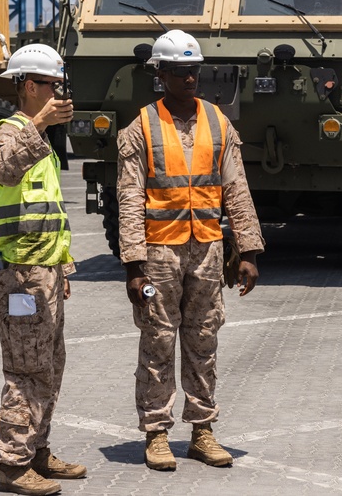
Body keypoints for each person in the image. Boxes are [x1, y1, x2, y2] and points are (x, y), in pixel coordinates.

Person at [116, 29, 264, 471]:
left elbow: (237, 191)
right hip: (159, 256)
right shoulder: (140, 128)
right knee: (158, 341)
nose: (189, 80)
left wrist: (249, 252)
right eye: (180, 72)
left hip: (207, 252)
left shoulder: (219, 123)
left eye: (194, 71)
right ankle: (157, 433)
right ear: (160, 75)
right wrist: (133, 266)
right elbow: (129, 198)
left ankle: (202, 430)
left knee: (204, 341)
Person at [0, 43, 86, 496]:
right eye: (52, 85)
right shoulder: (12, 132)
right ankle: (11, 466)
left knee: (49, 365)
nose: (59, 93)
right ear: (30, 86)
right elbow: (4, 171)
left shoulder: (39, 140)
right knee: (25, 368)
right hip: (21, 273)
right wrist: (41, 122)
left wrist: (62, 266)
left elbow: (47, 212)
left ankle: (36, 451)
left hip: (43, 269)